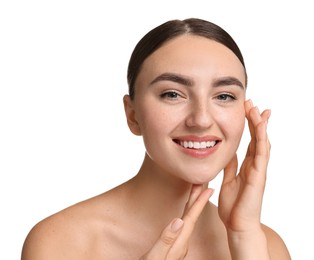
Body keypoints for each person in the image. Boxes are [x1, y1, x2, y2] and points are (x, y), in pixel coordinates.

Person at [21, 18, 291, 259]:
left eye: (224, 96)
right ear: (133, 115)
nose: (201, 119)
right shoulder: (62, 243)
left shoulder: (266, 246)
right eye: (172, 94)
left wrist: (244, 238)